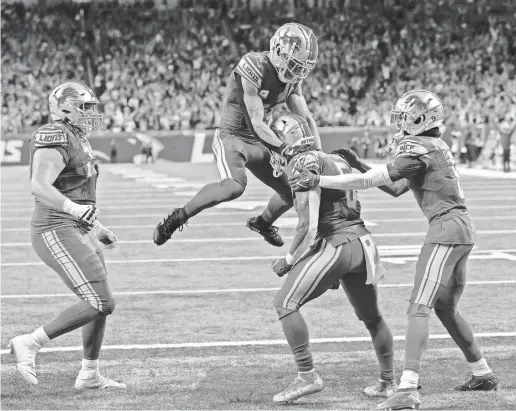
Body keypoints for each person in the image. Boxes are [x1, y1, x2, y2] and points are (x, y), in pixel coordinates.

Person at [289, 90, 498, 410]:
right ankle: (482, 372)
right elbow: (398, 187)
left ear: (422, 119)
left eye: (407, 116)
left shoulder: (420, 145)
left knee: (419, 306)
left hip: (447, 228)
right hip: (459, 228)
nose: (401, 122)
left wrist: (321, 180)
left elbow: (370, 182)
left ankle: (408, 388)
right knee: (445, 309)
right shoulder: (433, 145)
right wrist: (359, 163)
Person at [152, 23, 321, 247]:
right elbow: (256, 122)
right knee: (233, 186)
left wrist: (319, 154)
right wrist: (283, 149)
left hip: (261, 142)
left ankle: (262, 223)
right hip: (233, 136)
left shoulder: (292, 81)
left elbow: (307, 118)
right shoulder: (254, 65)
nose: (295, 73)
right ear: (279, 51)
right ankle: (176, 218)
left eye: (301, 68)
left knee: (293, 188)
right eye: (293, 64)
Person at [269, 114, 400, 403]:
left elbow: (308, 225)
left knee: (285, 303)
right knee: (373, 318)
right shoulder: (332, 158)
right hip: (362, 243)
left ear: (288, 140)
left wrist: (290, 260)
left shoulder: (303, 162)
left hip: (337, 242)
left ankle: (307, 376)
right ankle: (388, 382)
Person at [8, 82, 125, 390]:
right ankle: (30, 343)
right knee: (102, 301)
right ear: (65, 108)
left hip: (77, 227)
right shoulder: (55, 133)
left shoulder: (77, 137)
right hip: (55, 226)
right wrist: (74, 211)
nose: (91, 113)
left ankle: (89, 374)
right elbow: (40, 185)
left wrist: (97, 227)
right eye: (85, 107)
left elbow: (78, 191)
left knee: (97, 302)